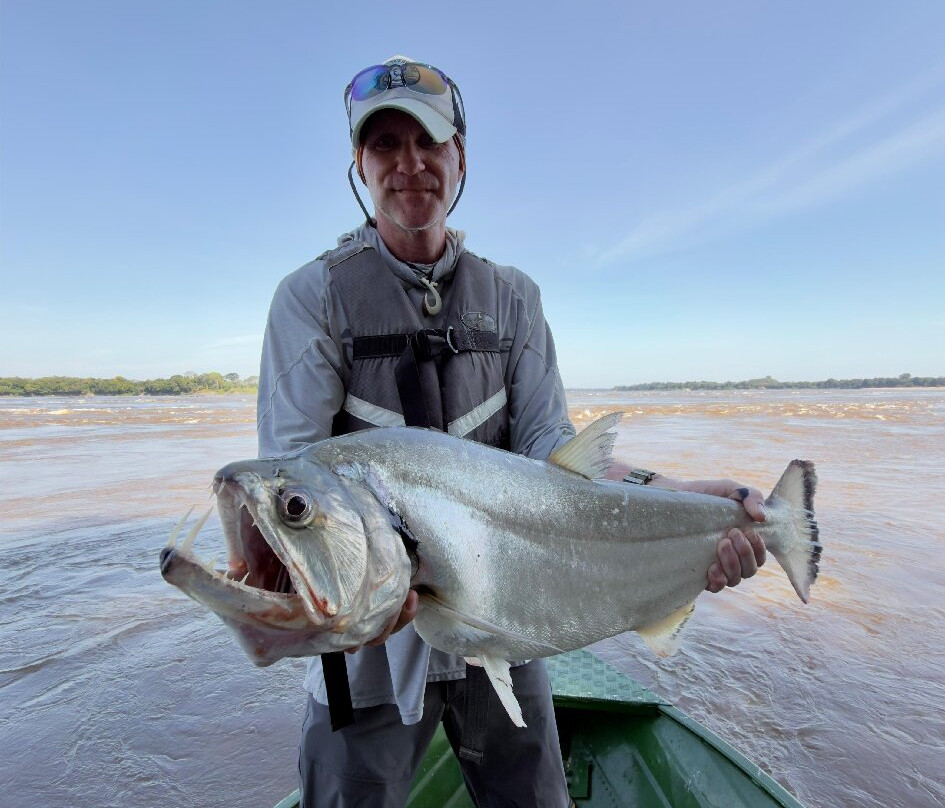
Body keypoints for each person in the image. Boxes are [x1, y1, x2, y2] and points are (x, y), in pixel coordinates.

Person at [256, 55, 768, 808]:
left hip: (503, 615)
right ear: (358, 165)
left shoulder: (514, 299)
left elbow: (554, 458)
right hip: (366, 652)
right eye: (385, 146)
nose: (410, 166)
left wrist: (692, 497)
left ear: (459, 153)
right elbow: (293, 486)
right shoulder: (312, 298)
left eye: (428, 142)